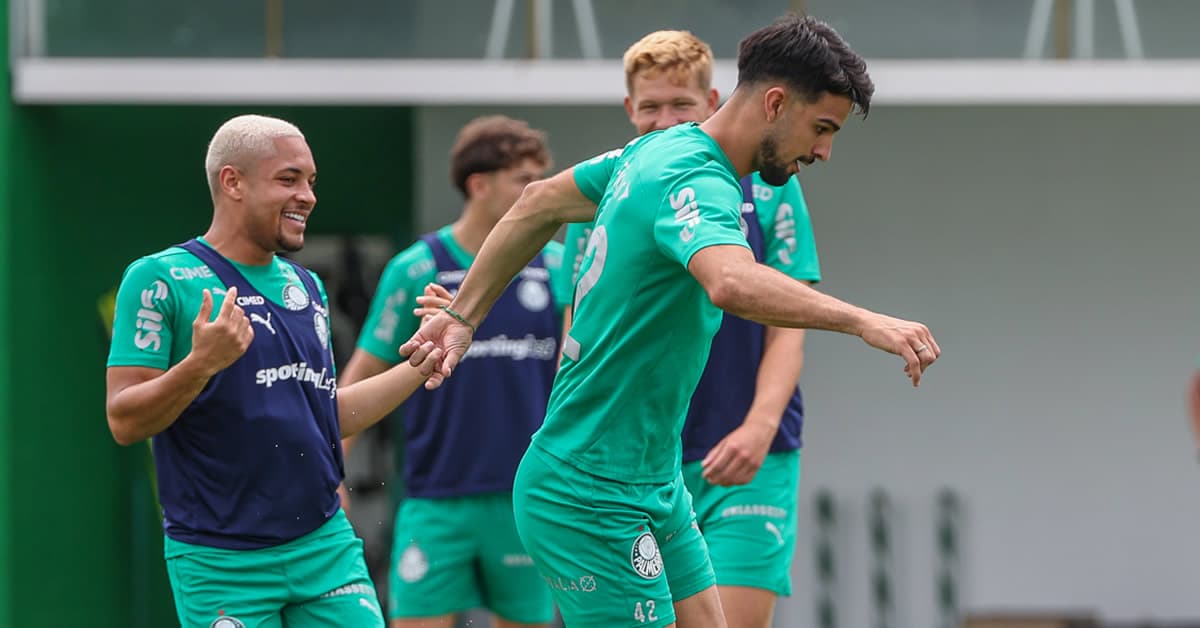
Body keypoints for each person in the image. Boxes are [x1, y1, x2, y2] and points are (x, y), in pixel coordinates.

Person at [402, 15, 941, 628]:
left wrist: (462, 313)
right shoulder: (694, 175)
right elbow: (730, 281)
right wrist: (863, 321)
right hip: (589, 487)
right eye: (822, 128)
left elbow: (537, 202)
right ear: (774, 103)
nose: (824, 152)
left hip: (652, 478)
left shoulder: (650, 151)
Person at [105, 114, 443, 628]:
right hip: (220, 561)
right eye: (289, 179)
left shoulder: (307, 287)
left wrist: (424, 359)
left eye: (311, 181)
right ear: (232, 182)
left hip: (324, 546)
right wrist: (200, 364)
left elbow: (325, 416)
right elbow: (124, 420)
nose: (307, 196)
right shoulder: (159, 279)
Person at [550, 29, 822, 628]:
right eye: (650, 107)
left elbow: (788, 329)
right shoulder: (613, 188)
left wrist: (759, 427)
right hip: (633, 460)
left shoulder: (771, 187)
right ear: (629, 108)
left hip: (744, 453)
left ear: (713, 102)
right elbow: (579, 336)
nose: (665, 119)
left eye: (681, 104)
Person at [340, 115, 562, 628]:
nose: (537, 192)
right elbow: (363, 371)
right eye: (523, 180)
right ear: (479, 185)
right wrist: (330, 468)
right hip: (435, 500)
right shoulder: (416, 268)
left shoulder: (555, 266)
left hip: (524, 499)